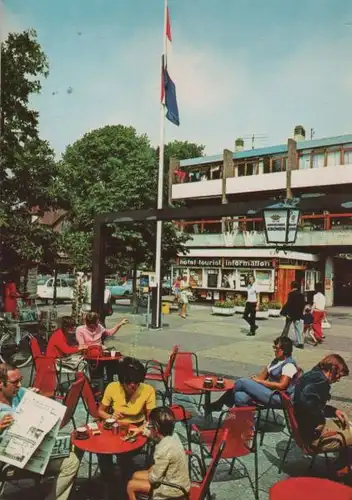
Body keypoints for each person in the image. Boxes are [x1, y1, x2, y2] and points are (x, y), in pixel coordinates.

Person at [0, 363, 81, 500]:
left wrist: (36, 399)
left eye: (21, 379)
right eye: (15, 382)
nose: (20, 385)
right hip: (9, 461)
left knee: (74, 453)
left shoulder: (18, 392)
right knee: (71, 462)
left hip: (34, 449)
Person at [97, 357, 156, 500]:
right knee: (102, 451)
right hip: (115, 426)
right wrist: (110, 415)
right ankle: (108, 481)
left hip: (136, 427)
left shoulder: (147, 390)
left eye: (136, 382)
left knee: (124, 455)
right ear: (122, 380)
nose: (133, 385)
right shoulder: (112, 387)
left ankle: (124, 484)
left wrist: (142, 428)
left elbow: (152, 419)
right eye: (129, 382)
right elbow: (100, 411)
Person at [293, 354, 351, 474]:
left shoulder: (312, 375)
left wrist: (334, 411)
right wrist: (322, 425)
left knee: (346, 423)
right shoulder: (321, 383)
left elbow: (313, 405)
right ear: (332, 369)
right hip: (313, 437)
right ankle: (342, 469)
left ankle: (342, 462)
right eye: (338, 375)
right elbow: (311, 408)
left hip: (304, 428)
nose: (338, 379)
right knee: (350, 429)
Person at [209, 337, 298, 411]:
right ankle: (246, 425)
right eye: (274, 347)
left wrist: (258, 382)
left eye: (276, 348)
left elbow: (282, 385)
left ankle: (219, 403)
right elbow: (261, 377)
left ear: (284, 350)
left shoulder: (289, 365)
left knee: (242, 382)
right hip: (268, 392)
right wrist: (253, 380)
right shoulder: (276, 361)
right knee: (239, 396)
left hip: (278, 398)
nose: (274, 350)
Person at [127, 407, 190, 500]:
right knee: (136, 475)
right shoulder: (173, 436)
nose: (149, 428)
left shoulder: (162, 450)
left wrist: (152, 470)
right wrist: (143, 431)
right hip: (179, 480)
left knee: (130, 485)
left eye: (149, 426)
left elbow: (154, 479)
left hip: (173, 490)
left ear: (156, 429)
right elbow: (157, 437)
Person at [76, 311, 128, 386]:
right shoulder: (80, 330)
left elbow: (109, 333)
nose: (97, 325)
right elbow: (82, 346)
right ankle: (99, 385)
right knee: (98, 368)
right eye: (95, 324)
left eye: (97, 323)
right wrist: (98, 346)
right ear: (89, 323)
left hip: (101, 353)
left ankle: (111, 382)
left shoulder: (99, 327)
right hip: (89, 356)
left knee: (114, 361)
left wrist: (119, 324)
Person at [281, 281, 306, 349]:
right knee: (298, 329)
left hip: (291, 314)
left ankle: (282, 340)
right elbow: (303, 304)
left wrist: (284, 312)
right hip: (298, 314)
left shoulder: (291, 294)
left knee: (287, 327)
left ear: (292, 286)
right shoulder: (301, 295)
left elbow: (289, 304)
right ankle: (300, 343)